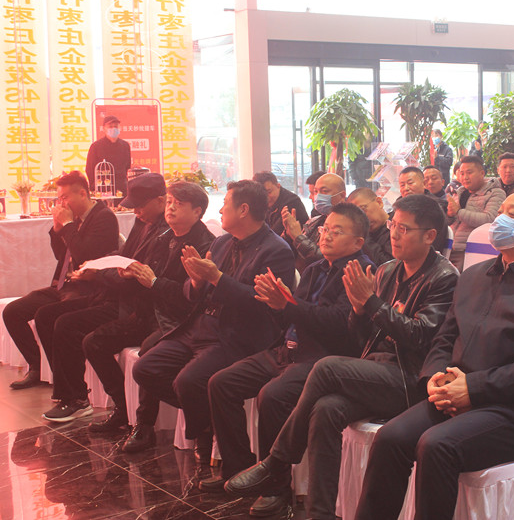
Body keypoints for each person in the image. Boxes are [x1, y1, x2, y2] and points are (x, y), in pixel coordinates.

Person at [353, 187, 514, 520]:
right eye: (500, 211)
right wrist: (434, 378)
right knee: (391, 437)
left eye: (512, 215)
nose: (500, 220)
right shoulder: (474, 275)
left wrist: (473, 389)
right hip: (454, 396)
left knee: (436, 444)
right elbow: (446, 337)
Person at [223, 194, 458, 520]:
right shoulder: (388, 270)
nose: (393, 234)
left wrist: (371, 304)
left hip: (410, 377)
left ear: (430, 235)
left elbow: (420, 336)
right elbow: (361, 338)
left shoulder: (445, 277)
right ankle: (320, 513)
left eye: (404, 229)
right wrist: (360, 311)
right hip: (376, 367)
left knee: (326, 367)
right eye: (393, 225)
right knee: (325, 408)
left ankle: (275, 461)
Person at [200, 203, 373, 493]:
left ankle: (275, 488)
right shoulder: (316, 268)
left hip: (323, 358)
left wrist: (288, 304)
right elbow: (291, 315)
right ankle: (238, 469)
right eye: (325, 229)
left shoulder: (360, 272)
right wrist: (274, 302)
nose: (326, 236)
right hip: (287, 348)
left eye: (337, 231)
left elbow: (340, 323)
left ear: (358, 242)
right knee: (221, 383)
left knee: (273, 396)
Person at [131, 180, 295, 463]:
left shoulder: (276, 250)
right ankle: (206, 423)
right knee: (145, 368)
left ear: (243, 210)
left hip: (237, 333)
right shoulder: (221, 243)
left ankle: (209, 443)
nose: (219, 210)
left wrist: (217, 278)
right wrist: (196, 281)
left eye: (225, 204)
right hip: (200, 325)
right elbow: (194, 293)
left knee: (188, 381)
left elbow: (261, 303)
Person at [82, 182, 215, 440]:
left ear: (197, 211)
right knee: (93, 342)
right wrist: (129, 275)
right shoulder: (162, 238)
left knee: (149, 351)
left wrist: (153, 282)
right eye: (169, 202)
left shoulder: (205, 245)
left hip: (179, 321)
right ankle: (123, 409)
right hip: (149, 313)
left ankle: (144, 425)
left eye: (179, 204)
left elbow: (191, 299)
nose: (170, 208)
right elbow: (146, 278)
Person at [42, 173, 172, 422]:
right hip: (113, 292)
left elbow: (136, 276)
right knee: (48, 316)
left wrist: (99, 273)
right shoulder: (143, 222)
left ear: (161, 200)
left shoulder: (109, 218)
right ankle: (72, 395)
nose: (136, 212)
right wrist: (99, 266)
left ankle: (104, 405)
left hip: (133, 305)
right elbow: (124, 258)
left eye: (140, 205)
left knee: (74, 330)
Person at [3, 171, 119, 390]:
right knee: (13, 311)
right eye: (59, 198)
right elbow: (62, 256)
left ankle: (65, 381)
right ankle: (37, 367)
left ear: (82, 194)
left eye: (65, 197)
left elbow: (84, 255)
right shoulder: (74, 219)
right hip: (64, 283)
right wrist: (58, 231)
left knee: (47, 316)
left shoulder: (103, 217)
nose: (61, 203)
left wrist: (67, 226)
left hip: (88, 288)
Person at [446, 155, 506, 270]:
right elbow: (451, 220)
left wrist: (458, 212)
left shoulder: (495, 193)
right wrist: (449, 214)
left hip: (474, 250)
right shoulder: (460, 192)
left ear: (482, 173)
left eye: (469, 173)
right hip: (451, 247)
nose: (465, 177)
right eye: (462, 173)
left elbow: (490, 220)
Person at [282, 173, 346, 272]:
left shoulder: (348, 224)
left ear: (342, 195)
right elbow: (289, 253)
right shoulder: (314, 221)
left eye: (324, 191)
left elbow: (325, 260)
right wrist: (288, 234)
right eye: (315, 192)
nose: (317, 196)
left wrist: (298, 237)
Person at [398, 166, 449, 254]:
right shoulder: (399, 206)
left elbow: (431, 245)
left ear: (424, 183)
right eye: (402, 185)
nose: (406, 188)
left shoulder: (434, 208)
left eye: (410, 183)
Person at [86, 115, 132, 195]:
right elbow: (89, 169)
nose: (113, 129)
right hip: (103, 189)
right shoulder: (96, 146)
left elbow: (127, 167)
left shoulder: (125, 145)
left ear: (119, 128)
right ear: (104, 128)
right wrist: (94, 188)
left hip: (121, 188)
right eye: (110, 126)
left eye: (116, 126)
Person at [254, 171, 308, 237]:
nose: (266, 198)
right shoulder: (262, 203)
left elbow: (273, 235)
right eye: (262, 194)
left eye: (269, 192)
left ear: (278, 186)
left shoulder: (291, 202)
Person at [347, 188, 393, 265]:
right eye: (355, 216)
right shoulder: (361, 236)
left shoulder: (397, 227)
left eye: (363, 210)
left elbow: (388, 266)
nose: (362, 218)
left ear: (379, 202)